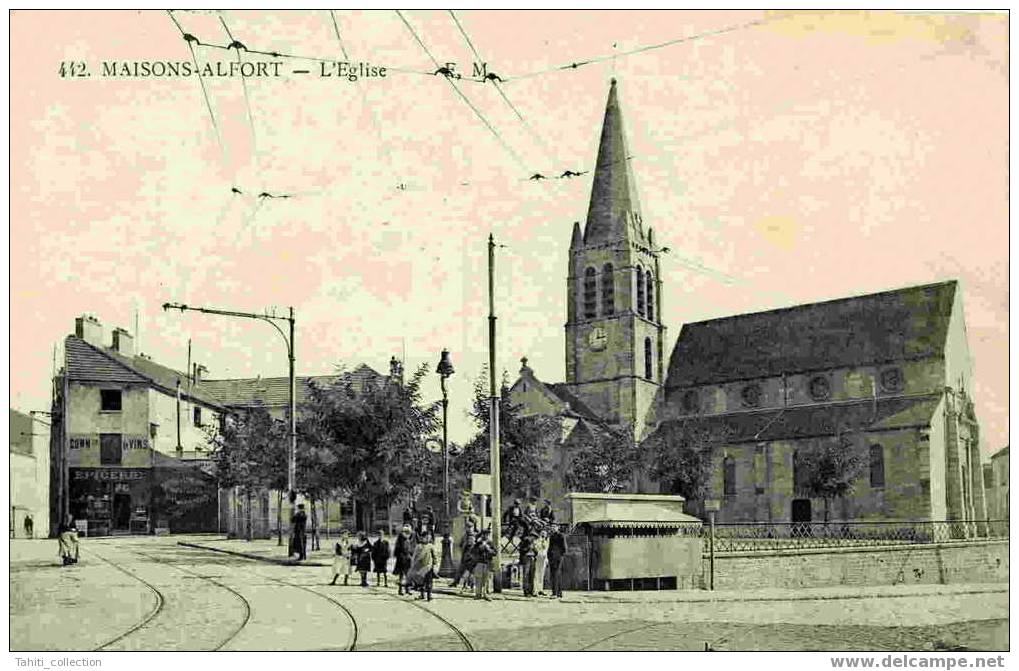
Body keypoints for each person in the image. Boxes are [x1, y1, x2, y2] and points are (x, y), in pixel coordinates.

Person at [407, 530, 438, 601]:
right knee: (421, 582)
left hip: (428, 567)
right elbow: (414, 557)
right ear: (422, 538)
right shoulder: (418, 546)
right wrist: (413, 565)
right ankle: (422, 595)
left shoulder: (431, 546)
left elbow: (435, 556)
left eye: (428, 538)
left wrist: (434, 564)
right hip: (420, 568)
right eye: (425, 537)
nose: (427, 539)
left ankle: (429, 596)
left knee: (429, 582)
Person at [472, 529, 495, 601]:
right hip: (479, 562)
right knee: (478, 579)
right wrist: (480, 547)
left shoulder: (490, 543)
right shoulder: (478, 543)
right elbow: (473, 552)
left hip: (488, 562)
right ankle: (478, 594)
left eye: (487, 535)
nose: (486, 536)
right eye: (484, 534)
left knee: (487, 580)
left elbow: (495, 553)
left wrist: (488, 549)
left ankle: (486, 594)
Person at [393, 525, 415, 596]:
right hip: (401, 559)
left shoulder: (411, 539)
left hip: (408, 558)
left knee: (408, 575)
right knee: (401, 575)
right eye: (405, 531)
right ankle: (400, 590)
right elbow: (397, 550)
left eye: (408, 532)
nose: (407, 533)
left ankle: (407, 590)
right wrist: (400, 556)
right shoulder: (400, 539)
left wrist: (411, 556)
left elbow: (412, 549)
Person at [548, 524, 568, 599]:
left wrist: (560, 556)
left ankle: (555, 593)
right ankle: (559, 593)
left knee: (556, 575)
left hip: (558, 557)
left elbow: (564, 548)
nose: (552, 528)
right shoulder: (552, 536)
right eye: (552, 527)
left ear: (557, 528)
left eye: (554, 527)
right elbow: (550, 547)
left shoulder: (561, 536)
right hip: (552, 558)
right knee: (555, 575)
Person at [518, 531, 537, 597]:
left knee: (532, 575)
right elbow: (521, 551)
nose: (534, 539)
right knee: (526, 575)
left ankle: (531, 591)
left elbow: (536, 552)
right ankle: (526, 591)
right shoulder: (524, 542)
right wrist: (528, 548)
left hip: (532, 558)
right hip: (526, 558)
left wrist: (534, 549)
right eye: (533, 537)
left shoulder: (533, 543)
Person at [533, 528, 550, 596]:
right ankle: (535, 590)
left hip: (544, 558)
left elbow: (546, 549)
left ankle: (541, 589)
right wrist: (540, 541)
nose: (543, 535)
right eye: (542, 533)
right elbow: (536, 548)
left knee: (542, 575)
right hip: (538, 558)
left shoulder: (547, 542)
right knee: (537, 574)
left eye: (544, 534)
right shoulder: (536, 541)